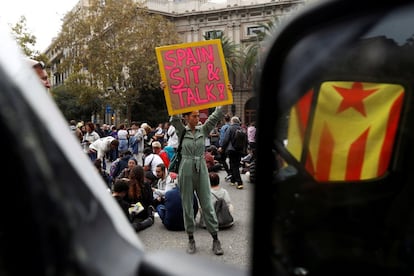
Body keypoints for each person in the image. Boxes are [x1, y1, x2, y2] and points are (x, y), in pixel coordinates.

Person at [170, 106, 225, 255]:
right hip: (185, 169)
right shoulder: (182, 131)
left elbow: (215, 115)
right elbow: (174, 117)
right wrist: (166, 92)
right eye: (193, 116)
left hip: (201, 168)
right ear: (186, 118)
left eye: (197, 116)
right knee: (187, 205)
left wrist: (226, 96)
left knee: (207, 204)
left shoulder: (203, 129)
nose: (197, 118)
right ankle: (191, 239)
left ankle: (215, 238)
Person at [125, 165, 155, 232]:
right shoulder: (146, 185)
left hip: (132, 210)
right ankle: (147, 221)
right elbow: (150, 201)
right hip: (142, 211)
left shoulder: (128, 184)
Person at [220, 116, 244, 190]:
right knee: (234, 164)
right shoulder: (242, 129)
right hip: (240, 150)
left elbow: (226, 139)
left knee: (234, 165)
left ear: (232, 121)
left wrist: (222, 147)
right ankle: (233, 180)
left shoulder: (230, 128)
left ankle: (239, 182)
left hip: (231, 150)